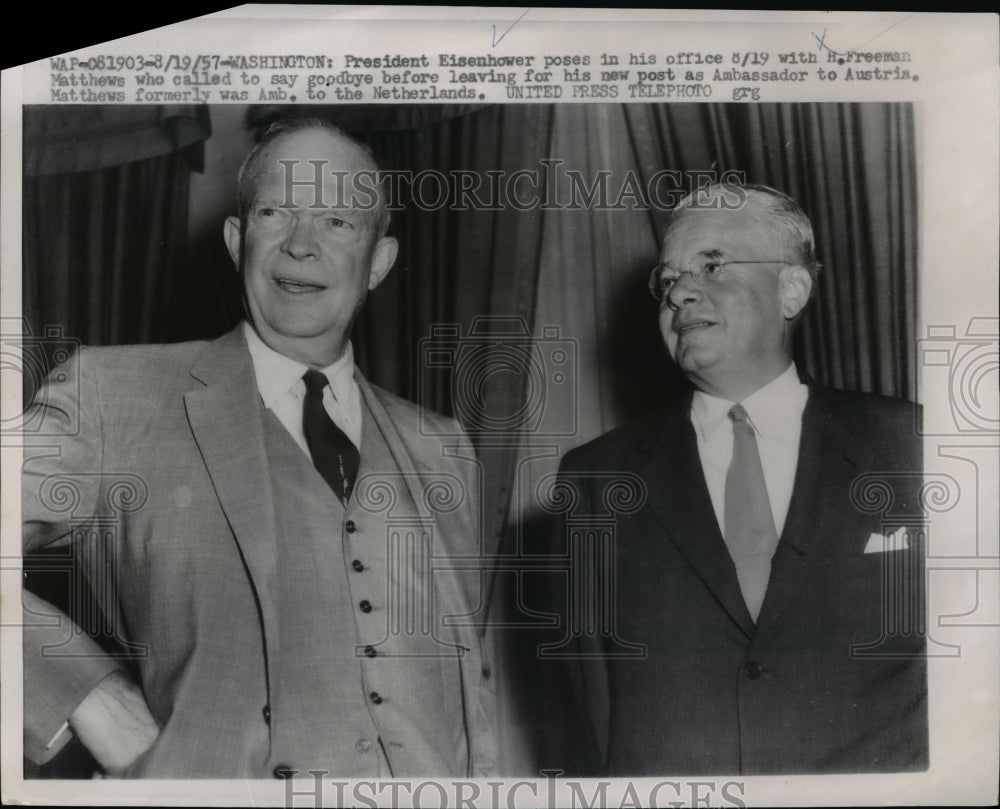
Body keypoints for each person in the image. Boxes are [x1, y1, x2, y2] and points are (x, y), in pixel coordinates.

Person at [21, 118, 496, 778]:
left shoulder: (442, 447)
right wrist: (89, 697)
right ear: (238, 240)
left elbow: (471, 698)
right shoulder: (112, 396)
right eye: (277, 212)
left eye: (337, 222)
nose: (302, 246)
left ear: (379, 262)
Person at [550, 183, 926, 774]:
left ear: (791, 289)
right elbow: (592, 699)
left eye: (713, 264)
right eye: (667, 278)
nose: (680, 293)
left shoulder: (911, 444)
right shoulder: (596, 479)